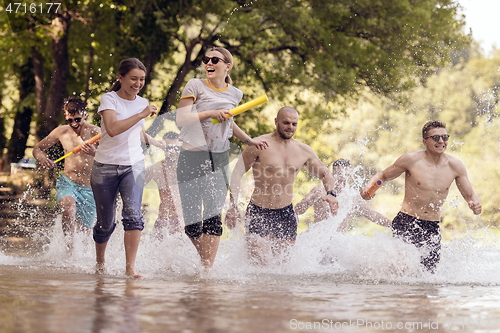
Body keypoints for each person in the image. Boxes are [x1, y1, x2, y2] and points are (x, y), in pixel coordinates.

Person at [175, 46, 269, 270]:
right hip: (191, 156)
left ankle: (207, 271)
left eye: (214, 60)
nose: (208, 63)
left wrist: (248, 140)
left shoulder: (235, 94)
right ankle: (206, 261)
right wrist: (209, 113)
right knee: (191, 224)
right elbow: (181, 118)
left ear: (227, 66)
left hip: (218, 158)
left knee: (213, 217)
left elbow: (229, 121)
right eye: (206, 59)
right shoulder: (195, 85)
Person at [360, 120, 482, 273]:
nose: (441, 141)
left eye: (445, 137)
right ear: (425, 141)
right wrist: (370, 189)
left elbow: (470, 195)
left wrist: (475, 204)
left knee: (428, 278)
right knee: (402, 272)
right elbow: (383, 176)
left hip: (432, 227)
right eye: (436, 138)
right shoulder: (411, 160)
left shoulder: (455, 166)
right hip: (407, 221)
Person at [226, 106, 339, 265]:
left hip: (285, 213)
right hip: (259, 211)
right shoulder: (259, 144)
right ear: (276, 121)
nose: (290, 127)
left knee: (282, 269)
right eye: (286, 123)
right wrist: (233, 206)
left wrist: (331, 193)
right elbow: (236, 174)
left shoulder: (303, 150)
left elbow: (325, 174)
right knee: (260, 266)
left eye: (294, 124)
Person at [91, 58, 165, 278]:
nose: (138, 83)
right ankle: (100, 262)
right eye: (133, 78)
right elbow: (113, 128)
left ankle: (130, 268)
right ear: (120, 77)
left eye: (142, 79)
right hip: (104, 166)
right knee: (106, 224)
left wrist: (152, 140)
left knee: (133, 215)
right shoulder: (109, 100)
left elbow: (136, 129)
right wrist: (142, 114)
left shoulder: (142, 102)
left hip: (133, 165)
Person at [33, 97, 100, 250]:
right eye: (70, 120)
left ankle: (81, 256)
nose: (74, 124)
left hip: (90, 187)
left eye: (77, 119)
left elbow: (112, 157)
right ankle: (69, 253)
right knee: (68, 208)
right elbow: (37, 149)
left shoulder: (96, 132)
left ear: (85, 114)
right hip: (67, 182)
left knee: (85, 232)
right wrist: (43, 159)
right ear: (66, 117)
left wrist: (95, 153)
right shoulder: (61, 131)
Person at [295, 159, 391, 231]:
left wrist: (393, 225)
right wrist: (305, 203)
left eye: (347, 175)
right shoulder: (320, 190)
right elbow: (298, 210)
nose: (343, 179)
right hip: (318, 239)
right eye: (340, 175)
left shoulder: (353, 196)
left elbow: (372, 215)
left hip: (338, 244)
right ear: (332, 175)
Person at [145, 131, 183, 239]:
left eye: (176, 148)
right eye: (169, 148)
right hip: (164, 220)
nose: (173, 152)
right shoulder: (156, 169)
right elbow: (134, 186)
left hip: (184, 220)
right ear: (163, 148)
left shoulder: (187, 168)